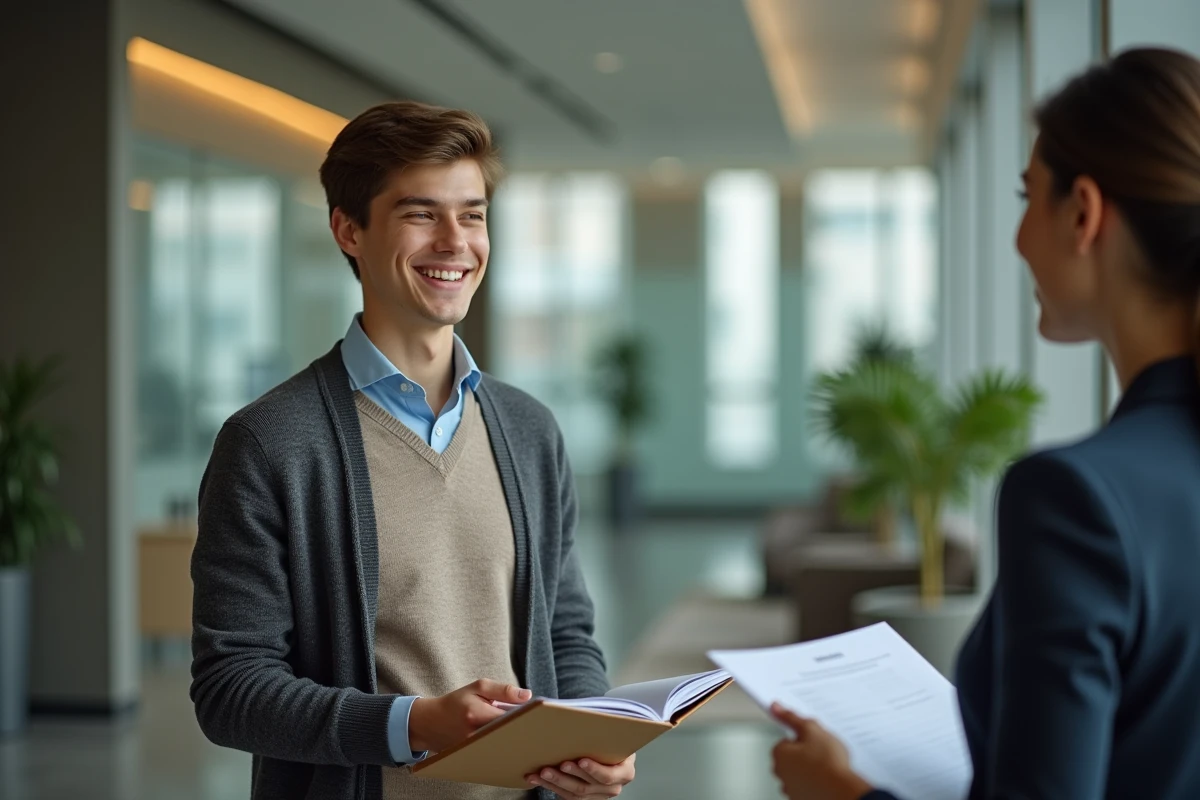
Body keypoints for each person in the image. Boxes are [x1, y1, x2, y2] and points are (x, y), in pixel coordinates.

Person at [769, 46, 1200, 800]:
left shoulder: (1077, 499)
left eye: (1026, 197)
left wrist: (845, 793)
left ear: (1084, 213)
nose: (1019, 239)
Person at [190, 100, 636, 800]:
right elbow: (230, 687)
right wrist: (414, 723)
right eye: (421, 213)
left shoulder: (528, 430)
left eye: (474, 213)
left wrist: (591, 729)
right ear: (349, 230)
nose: (456, 241)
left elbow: (567, 632)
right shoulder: (269, 442)